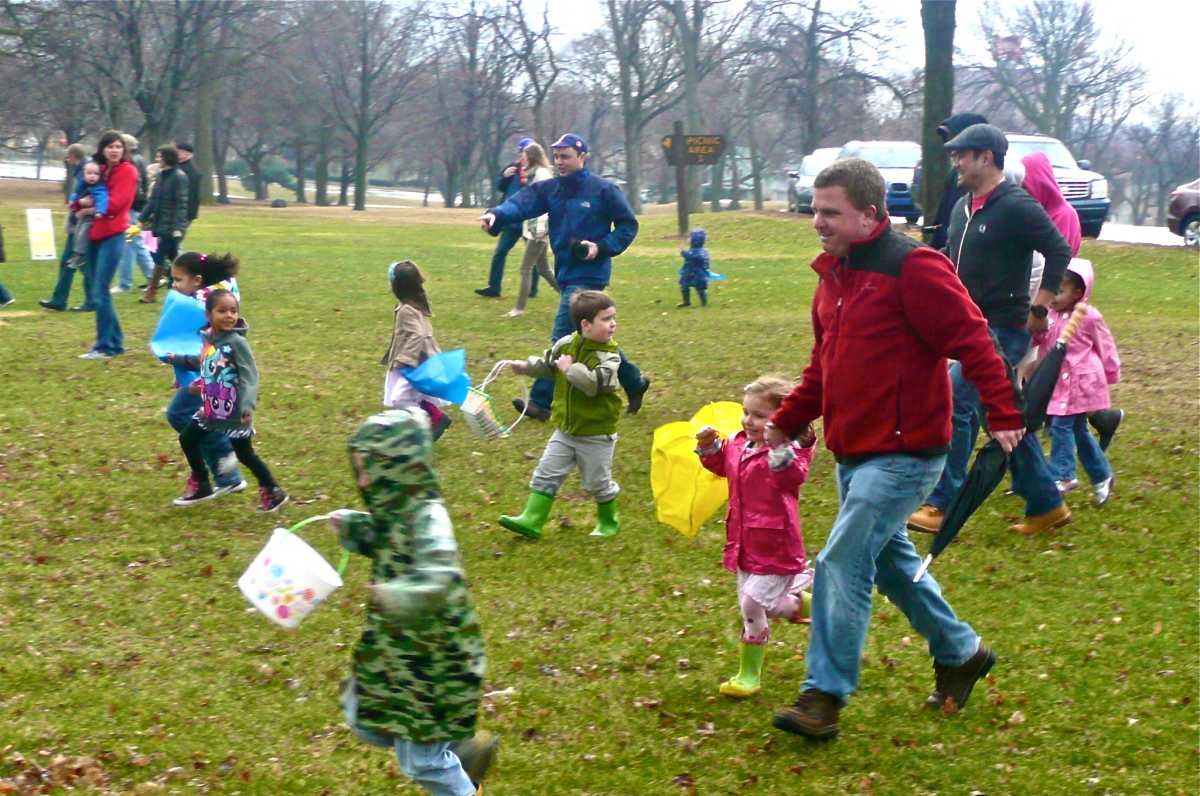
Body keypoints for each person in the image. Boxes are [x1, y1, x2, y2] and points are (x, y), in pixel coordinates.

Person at [766, 158, 1024, 740]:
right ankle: (961, 651)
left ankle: (823, 696)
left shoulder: (914, 268)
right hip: (854, 449)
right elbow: (822, 369)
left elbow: (974, 340)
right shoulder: (832, 278)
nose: (818, 222)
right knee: (889, 562)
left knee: (842, 559)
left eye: (830, 212)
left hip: (908, 453)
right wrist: (786, 422)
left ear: (870, 213)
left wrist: (1004, 412)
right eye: (815, 209)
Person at [908, 123, 1074, 537]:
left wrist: (1042, 304)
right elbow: (951, 256)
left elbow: (1058, 249)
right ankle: (1047, 504)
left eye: (963, 155)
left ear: (987, 157)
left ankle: (942, 504)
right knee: (997, 417)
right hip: (968, 327)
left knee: (954, 401)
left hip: (1003, 328)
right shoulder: (965, 206)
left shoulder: (1016, 204)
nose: (956, 162)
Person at [329, 409, 494, 796]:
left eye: (370, 469)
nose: (364, 480)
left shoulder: (428, 518)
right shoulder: (396, 510)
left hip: (438, 659)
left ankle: (457, 777)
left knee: (420, 761)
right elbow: (384, 537)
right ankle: (459, 749)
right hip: (402, 651)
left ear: (400, 468)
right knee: (363, 715)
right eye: (360, 470)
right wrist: (354, 525)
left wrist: (397, 595)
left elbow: (441, 580)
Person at [478, 133, 651, 420]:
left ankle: (541, 402)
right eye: (556, 156)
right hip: (567, 273)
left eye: (565, 156)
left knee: (563, 336)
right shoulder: (551, 189)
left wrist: (601, 247)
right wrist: (496, 215)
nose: (559, 162)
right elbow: (521, 203)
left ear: (582, 157)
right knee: (587, 338)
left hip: (590, 275)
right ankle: (634, 381)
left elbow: (627, 225)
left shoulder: (604, 190)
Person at [695, 375, 817, 699]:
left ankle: (749, 675)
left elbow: (792, 476)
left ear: (782, 420)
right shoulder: (739, 443)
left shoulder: (790, 453)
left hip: (776, 545)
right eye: (746, 412)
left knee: (752, 604)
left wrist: (778, 447)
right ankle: (801, 605)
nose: (749, 421)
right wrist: (710, 448)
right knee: (760, 605)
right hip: (743, 543)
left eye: (759, 416)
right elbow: (725, 465)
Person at [498, 290, 624, 540]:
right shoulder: (565, 344)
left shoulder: (609, 357)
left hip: (596, 433)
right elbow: (548, 363)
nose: (613, 324)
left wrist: (571, 368)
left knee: (596, 484)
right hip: (565, 429)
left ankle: (609, 521)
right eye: (606, 319)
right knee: (546, 472)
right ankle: (532, 519)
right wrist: (526, 367)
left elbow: (591, 385)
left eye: (613, 318)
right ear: (585, 325)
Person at [165, 289, 288, 511]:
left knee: (245, 454)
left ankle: (273, 490)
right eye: (222, 311)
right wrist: (182, 363)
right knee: (188, 438)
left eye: (233, 311)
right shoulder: (210, 339)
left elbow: (250, 376)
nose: (229, 315)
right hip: (213, 406)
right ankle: (201, 483)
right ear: (209, 314)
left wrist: (247, 406)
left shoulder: (236, 342)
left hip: (235, 410)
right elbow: (206, 361)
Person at [1033, 260, 1121, 505]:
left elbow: (1106, 345)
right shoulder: (1050, 314)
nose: (1054, 297)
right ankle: (1102, 475)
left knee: (1061, 426)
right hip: (1058, 383)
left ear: (1078, 293)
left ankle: (1063, 474)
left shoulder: (1089, 317)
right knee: (1079, 431)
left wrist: (1111, 373)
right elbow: (1041, 340)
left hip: (1081, 384)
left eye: (1059, 292)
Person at [161, 251, 246, 498]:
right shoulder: (221, 290)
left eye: (178, 280)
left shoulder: (202, 302)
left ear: (197, 280)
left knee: (180, 414)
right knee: (194, 416)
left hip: (210, 373)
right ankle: (221, 475)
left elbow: (186, 333)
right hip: (218, 370)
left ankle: (223, 467)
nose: (174, 286)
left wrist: (172, 355)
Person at [80, 130, 138, 360]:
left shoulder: (128, 171)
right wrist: (81, 202)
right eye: (110, 146)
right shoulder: (101, 169)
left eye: (118, 146)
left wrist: (90, 207)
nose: (114, 150)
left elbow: (117, 204)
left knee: (100, 290)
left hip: (113, 233)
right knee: (98, 289)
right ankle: (115, 343)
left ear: (124, 150)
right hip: (95, 233)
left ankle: (105, 346)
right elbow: (83, 189)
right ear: (103, 149)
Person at [381, 260, 453, 440]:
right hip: (422, 361)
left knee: (400, 399)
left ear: (397, 287)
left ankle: (433, 418)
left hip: (417, 363)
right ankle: (423, 424)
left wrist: (405, 359)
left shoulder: (407, 309)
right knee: (416, 396)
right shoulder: (415, 304)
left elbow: (418, 335)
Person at [475, 137, 538, 299]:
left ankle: (532, 289)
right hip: (511, 220)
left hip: (529, 220)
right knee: (500, 253)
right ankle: (494, 287)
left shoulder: (538, 172)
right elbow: (500, 187)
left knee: (534, 257)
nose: (522, 156)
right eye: (521, 152)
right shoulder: (513, 168)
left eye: (525, 152)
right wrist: (504, 176)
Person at [41, 143, 95, 312]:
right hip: (79, 223)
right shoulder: (85, 169)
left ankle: (88, 299)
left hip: (81, 224)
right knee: (73, 262)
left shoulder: (86, 171)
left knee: (76, 262)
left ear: (72, 156)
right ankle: (62, 299)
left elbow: (88, 197)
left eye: (68, 157)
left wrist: (77, 205)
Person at [507, 142, 557, 318]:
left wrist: (543, 227)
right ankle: (573, 297)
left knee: (525, 268)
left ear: (532, 156)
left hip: (540, 225)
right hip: (532, 224)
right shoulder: (533, 172)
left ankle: (519, 309)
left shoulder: (542, 174)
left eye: (525, 155)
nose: (522, 158)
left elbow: (547, 201)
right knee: (543, 269)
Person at [926, 112, 988, 250]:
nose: (952, 149)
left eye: (957, 141)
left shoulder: (1007, 198)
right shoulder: (954, 176)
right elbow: (942, 220)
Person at [138, 145, 190, 303]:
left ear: (168, 158)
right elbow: (153, 200)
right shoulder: (161, 176)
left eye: (160, 156)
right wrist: (142, 218)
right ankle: (183, 285)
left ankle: (151, 293)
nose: (157, 159)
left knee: (160, 258)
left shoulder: (179, 177)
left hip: (171, 227)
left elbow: (182, 204)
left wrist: (177, 228)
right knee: (168, 256)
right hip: (157, 224)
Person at [114, 133, 154, 294]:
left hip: (131, 209)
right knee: (133, 244)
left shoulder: (131, 162)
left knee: (132, 243)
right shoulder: (139, 160)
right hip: (137, 208)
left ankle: (129, 282)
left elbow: (134, 188)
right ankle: (150, 276)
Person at [63, 161, 109, 270]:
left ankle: (80, 255)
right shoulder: (82, 184)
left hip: (91, 217)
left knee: (83, 233)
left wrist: (100, 211)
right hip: (81, 216)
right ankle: (76, 255)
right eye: (89, 173)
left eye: (96, 174)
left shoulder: (99, 187)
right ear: (84, 174)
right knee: (77, 233)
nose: (92, 176)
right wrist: (72, 201)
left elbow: (103, 199)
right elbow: (76, 194)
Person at [677, 227, 710, 308]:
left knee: (700, 289)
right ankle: (687, 302)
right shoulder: (701, 251)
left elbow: (689, 256)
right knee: (685, 286)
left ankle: (703, 302)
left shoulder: (698, 252)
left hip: (697, 274)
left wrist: (682, 250)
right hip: (689, 273)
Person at [175, 142, 202, 224]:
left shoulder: (191, 171)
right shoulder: (177, 167)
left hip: (183, 212)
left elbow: (191, 193)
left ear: (187, 153)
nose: (176, 153)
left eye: (179, 151)